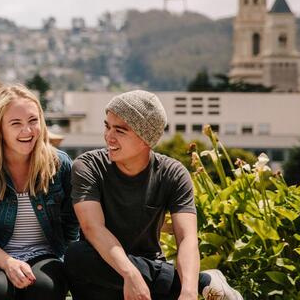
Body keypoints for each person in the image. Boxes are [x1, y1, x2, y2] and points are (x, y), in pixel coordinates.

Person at [64, 90, 243, 300]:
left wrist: (188, 292)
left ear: (145, 139)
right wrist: (130, 274)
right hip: (101, 269)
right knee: (77, 255)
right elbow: (92, 228)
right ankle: (205, 281)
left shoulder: (172, 173)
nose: (108, 136)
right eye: (107, 126)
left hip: (148, 271)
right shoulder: (88, 166)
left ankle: (181, 285)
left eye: (120, 131)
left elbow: (186, 238)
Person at [0, 84, 79, 300]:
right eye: (16, 123)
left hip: (45, 254)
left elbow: (72, 224)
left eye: (33, 121)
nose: (27, 131)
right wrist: (8, 262)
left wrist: (66, 261)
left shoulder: (58, 164)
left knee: (44, 288)